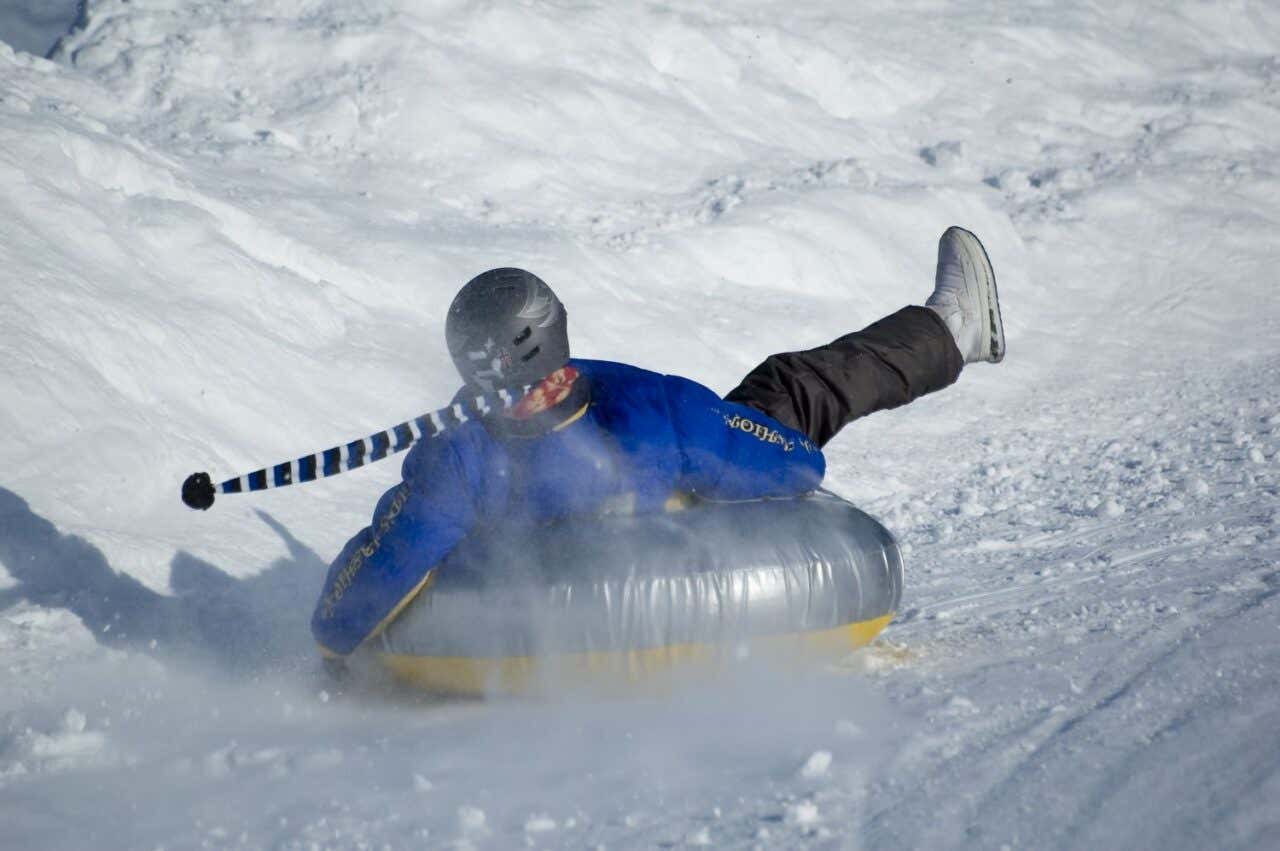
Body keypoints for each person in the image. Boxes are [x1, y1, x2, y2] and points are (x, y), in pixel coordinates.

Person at [311, 226, 1005, 658]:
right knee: (789, 387)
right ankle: (951, 327)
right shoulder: (653, 413)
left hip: (534, 618)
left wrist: (341, 666)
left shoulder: (454, 459)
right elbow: (797, 467)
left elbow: (345, 613)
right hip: (690, 526)